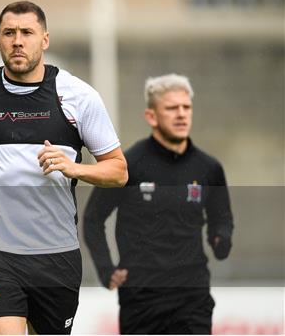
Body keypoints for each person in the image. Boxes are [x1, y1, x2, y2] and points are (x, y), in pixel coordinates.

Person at [0, 1, 128, 334]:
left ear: (45, 39)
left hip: (56, 254)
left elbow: (118, 170)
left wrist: (75, 169)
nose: (17, 41)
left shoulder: (78, 97)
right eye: (9, 33)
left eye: (27, 32)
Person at [84, 73, 234, 334]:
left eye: (186, 107)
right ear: (151, 116)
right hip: (142, 300)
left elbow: (222, 217)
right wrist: (106, 269)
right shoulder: (129, 166)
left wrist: (220, 237)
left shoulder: (209, 168)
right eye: (171, 108)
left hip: (192, 297)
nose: (181, 114)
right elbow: (92, 219)